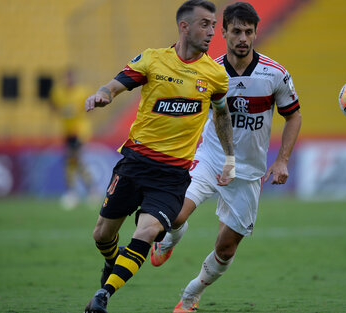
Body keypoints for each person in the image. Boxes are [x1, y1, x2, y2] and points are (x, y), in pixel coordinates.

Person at [82, 1, 235, 312]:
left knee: (148, 231)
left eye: (213, 25)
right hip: (135, 163)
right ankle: (115, 263)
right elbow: (116, 85)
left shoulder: (215, 75)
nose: (211, 32)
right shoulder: (152, 60)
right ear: (184, 27)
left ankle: (104, 295)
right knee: (102, 234)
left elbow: (221, 115)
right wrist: (102, 94)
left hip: (172, 175)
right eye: (205, 24)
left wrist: (230, 156)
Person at [149, 2, 302, 312]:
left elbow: (294, 116)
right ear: (224, 33)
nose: (242, 38)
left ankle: (190, 296)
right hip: (210, 159)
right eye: (236, 31)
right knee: (174, 215)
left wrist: (282, 159)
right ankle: (168, 240)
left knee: (226, 246)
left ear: (257, 33)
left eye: (248, 32)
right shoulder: (210, 71)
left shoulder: (275, 74)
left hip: (249, 173)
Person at [49, 68, 94, 209]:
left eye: (71, 78)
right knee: (76, 161)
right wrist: (61, 112)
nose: (69, 80)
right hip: (67, 130)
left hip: (80, 130)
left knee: (72, 158)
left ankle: (73, 193)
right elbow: (52, 104)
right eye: (67, 78)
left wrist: (79, 113)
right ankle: (90, 190)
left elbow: (91, 107)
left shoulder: (82, 91)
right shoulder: (58, 92)